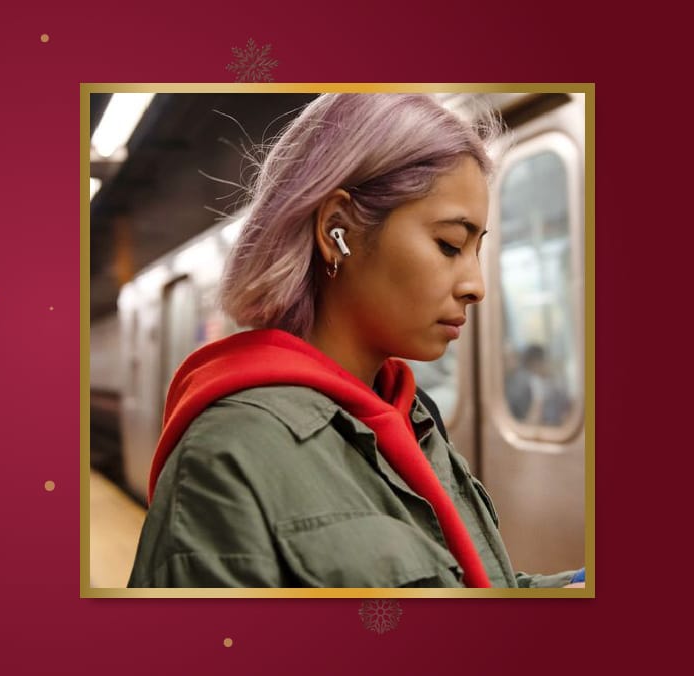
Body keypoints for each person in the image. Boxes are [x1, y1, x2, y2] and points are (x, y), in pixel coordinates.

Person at [128, 94, 583, 588]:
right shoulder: (226, 458)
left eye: (476, 248)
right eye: (450, 245)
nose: (476, 286)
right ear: (337, 229)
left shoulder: (412, 420)